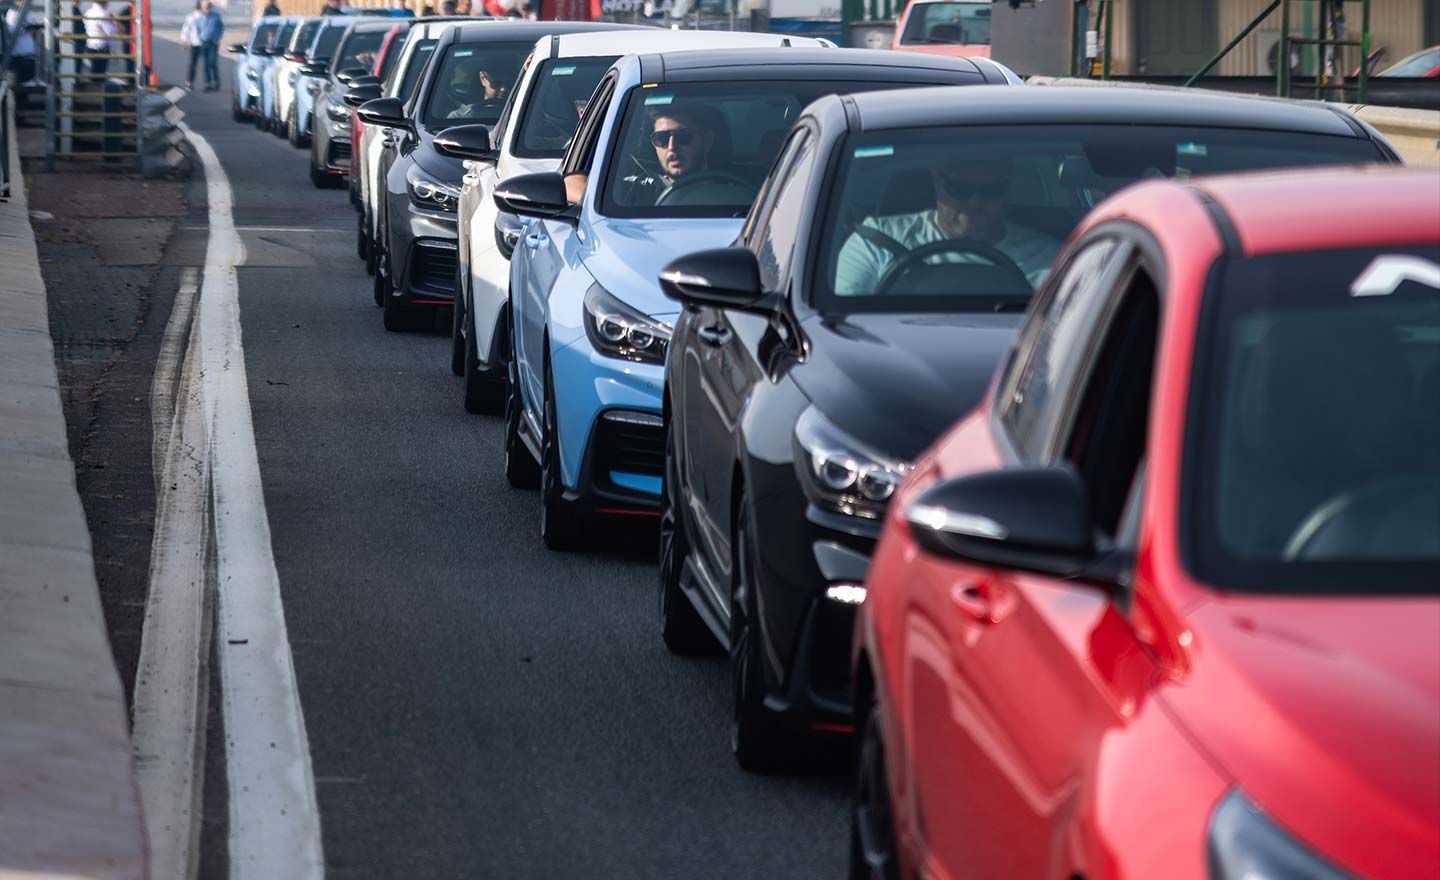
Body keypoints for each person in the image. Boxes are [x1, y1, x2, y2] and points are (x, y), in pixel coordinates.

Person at [834, 154, 1060, 295]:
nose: (975, 203)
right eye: (960, 190)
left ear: (1007, 191)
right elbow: (842, 326)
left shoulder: (1051, 260)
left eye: (991, 191)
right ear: (937, 184)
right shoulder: (877, 242)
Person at [616, 102, 716, 205]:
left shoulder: (731, 196)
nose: (671, 147)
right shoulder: (633, 193)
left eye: (683, 136)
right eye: (661, 138)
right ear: (654, 144)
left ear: (707, 140)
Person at [4, 4, 41, 87]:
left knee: (23, 93)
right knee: (16, 91)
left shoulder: (25, 12)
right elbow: (14, 31)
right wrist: (30, 28)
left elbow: (33, 26)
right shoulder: (13, 13)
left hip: (29, 58)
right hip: (19, 60)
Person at [83, 0, 121, 78]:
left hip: (90, 45)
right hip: (101, 49)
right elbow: (110, 33)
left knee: (94, 74)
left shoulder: (88, 12)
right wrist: (114, 21)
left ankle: (93, 88)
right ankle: (96, 89)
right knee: (99, 76)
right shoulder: (103, 15)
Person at [198, 0, 222, 91]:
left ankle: (216, 82)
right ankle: (207, 83)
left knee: (212, 63)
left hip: (213, 43)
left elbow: (220, 28)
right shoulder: (200, 17)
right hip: (204, 42)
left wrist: (217, 38)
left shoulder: (216, 16)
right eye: (206, 8)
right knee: (206, 64)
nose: (207, 9)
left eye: (209, 7)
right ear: (203, 8)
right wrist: (200, 38)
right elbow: (198, 28)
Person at [180, 1, 204, 89]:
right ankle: (189, 81)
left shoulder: (192, 17)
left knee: (193, 64)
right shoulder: (191, 17)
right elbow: (186, 30)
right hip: (196, 43)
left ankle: (190, 82)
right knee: (194, 64)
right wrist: (184, 41)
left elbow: (185, 30)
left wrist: (184, 41)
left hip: (200, 43)